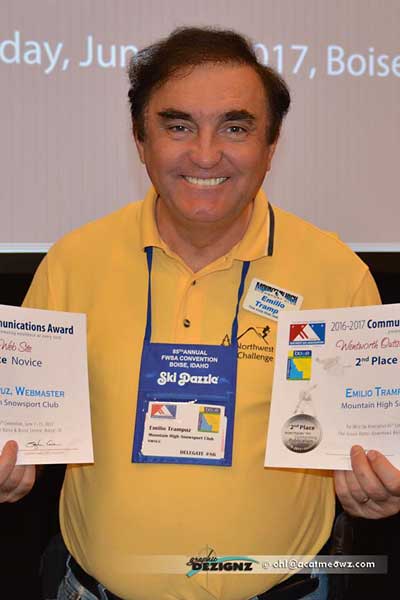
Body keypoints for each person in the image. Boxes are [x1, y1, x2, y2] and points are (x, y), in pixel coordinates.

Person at [1, 26, 400, 600]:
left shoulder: (337, 275)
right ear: (141, 140)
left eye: (235, 128)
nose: (206, 154)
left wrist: (379, 489)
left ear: (271, 146)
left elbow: (374, 448)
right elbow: (19, 425)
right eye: (178, 126)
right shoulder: (72, 264)